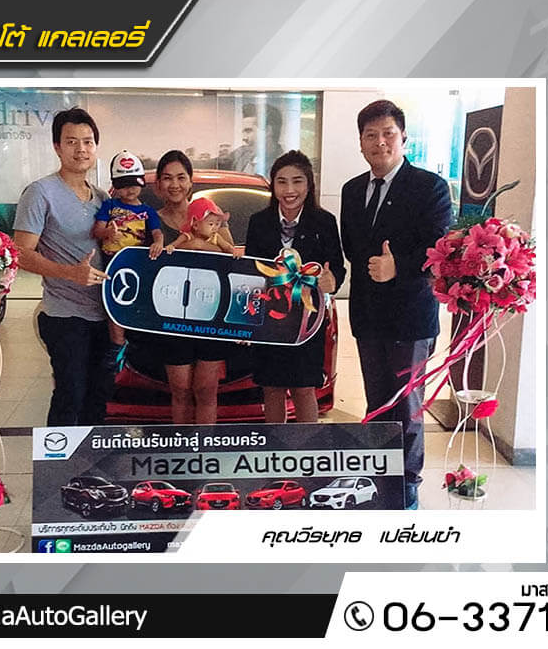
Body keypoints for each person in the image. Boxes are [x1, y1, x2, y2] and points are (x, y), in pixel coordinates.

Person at [340, 100, 453, 509]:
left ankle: (406, 489)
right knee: (376, 403)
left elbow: (440, 249)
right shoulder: (353, 190)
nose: (380, 142)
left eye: (388, 133)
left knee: (406, 406)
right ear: (361, 142)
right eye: (370, 135)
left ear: (403, 137)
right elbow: (352, 248)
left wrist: (398, 266)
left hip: (410, 320)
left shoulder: (430, 187)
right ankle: (378, 478)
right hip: (368, 317)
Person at [12, 107, 115, 427]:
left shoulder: (102, 198)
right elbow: (19, 253)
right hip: (65, 315)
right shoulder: (40, 192)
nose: (81, 149)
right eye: (71, 142)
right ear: (57, 147)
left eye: (87, 142)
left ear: (96, 147)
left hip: (105, 315)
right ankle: (61, 460)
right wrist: (70, 272)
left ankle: (90, 459)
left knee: (98, 399)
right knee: (70, 396)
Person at [245, 151, 345, 423]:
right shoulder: (259, 222)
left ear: (309, 184)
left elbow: (337, 268)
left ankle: (307, 447)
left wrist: (332, 281)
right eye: (282, 182)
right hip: (270, 320)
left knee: (304, 388)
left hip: (307, 320)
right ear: (273, 185)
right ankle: (276, 446)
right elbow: (251, 272)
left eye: (297, 181)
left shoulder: (324, 222)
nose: (289, 190)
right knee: (272, 387)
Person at [144, 151, 236, 425]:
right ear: (158, 184)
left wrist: (197, 245)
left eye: (181, 177)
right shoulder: (150, 222)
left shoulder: (213, 217)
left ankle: (205, 450)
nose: (174, 184)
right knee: (181, 390)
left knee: (206, 390)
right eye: (167, 178)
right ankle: (183, 449)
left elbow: (231, 262)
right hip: (171, 319)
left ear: (190, 181)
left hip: (211, 315)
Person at [92, 150, 165, 348]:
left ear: (141, 182)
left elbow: (157, 232)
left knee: (134, 301)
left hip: (136, 264)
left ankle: (135, 343)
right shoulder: (109, 206)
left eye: (134, 183)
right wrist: (107, 232)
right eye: (123, 185)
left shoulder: (147, 211)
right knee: (113, 304)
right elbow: (96, 231)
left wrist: (158, 243)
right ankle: (117, 345)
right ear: (115, 186)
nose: (130, 189)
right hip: (111, 263)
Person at [163, 197, 244, 257]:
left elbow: (227, 247)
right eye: (211, 224)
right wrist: (171, 247)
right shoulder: (187, 236)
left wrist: (234, 252)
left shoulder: (215, 237)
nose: (215, 228)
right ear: (195, 225)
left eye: (217, 224)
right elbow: (174, 245)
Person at [231, 103, 284, 176]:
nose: (244, 138)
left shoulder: (283, 166)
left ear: (268, 131)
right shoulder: (241, 155)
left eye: (248, 131)